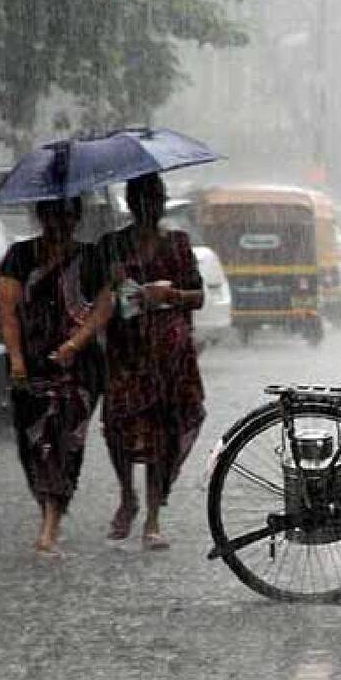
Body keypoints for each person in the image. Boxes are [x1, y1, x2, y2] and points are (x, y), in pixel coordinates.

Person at [0, 197, 114, 557]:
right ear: (41, 216)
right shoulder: (20, 256)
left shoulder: (90, 257)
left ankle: (50, 521)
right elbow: (8, 310)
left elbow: (104, 304)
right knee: (33, 443)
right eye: (52, 215)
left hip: (78, 370)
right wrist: (17, 359)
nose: (59, 223)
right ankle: (48, 505)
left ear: (76, 218)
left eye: (67, 216)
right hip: (31, 368)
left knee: (65, 442)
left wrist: (75, 344)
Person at [99, 173, 206, 550]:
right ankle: (128, 496)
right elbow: (94, 300)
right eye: (145, 198)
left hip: (169, 356)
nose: (152, 206)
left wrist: (170, 293)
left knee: (164, 432)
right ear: (132, 203)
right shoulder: (112, 246)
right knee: (118, 424)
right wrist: (112, 285)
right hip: (125, 352)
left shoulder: (178, 244)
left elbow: (198, 297)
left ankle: (154, 517)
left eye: (157, 198)